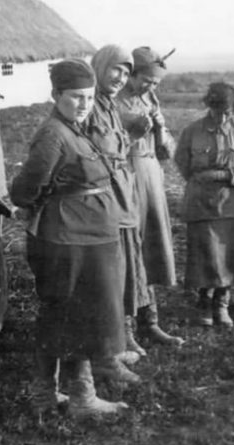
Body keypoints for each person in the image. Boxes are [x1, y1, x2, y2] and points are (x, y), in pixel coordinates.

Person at [11, 59, 134, 419]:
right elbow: (24, 191)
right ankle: (78, 399)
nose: (84, 104)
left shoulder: (74, 129)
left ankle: (49, 396)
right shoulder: (54, 134)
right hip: (67, 239)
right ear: (56, 95)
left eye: (89, 97)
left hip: (87, 237)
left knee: (71, 316)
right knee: (71, 316)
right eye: (75, 97)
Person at [85, 45, 152, 365]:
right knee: (108, 273)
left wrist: (136, 132)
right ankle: (108, 345)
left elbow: (119, 149)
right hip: (101, 202)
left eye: (125, 73)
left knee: (126, 269)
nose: (120, 77)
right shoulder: (87, 106)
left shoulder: (110, 107)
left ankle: (124, 334)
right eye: (115, 69)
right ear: (100, 67)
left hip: (123, 199)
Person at [116, 46, 184, 350]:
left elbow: (166, 152)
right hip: (125, 178)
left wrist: (159, 128)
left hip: (150, 176)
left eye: (156, 83)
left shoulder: (149, 99)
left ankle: (151, 322)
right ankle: (126, 328)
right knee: (129, 250)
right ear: (131, 73)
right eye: (147, 80)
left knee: (151, 249)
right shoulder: (112, 101)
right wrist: (132, 131)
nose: (151, 87)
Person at [174, 82, 234, 328]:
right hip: (201, 203)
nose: (223, 117)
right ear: (209, 106)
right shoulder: (192, 131)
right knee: (205, 254)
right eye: (219, 111)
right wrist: (200, 182)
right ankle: (204, 303)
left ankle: (222, 303)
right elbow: (182, 162)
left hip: (232, 204)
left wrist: (219, 176)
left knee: (230, 255)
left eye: (229, 112)